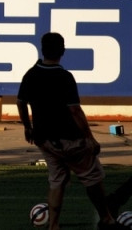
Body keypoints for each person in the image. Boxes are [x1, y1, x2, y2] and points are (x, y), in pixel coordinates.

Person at [17, 32, 118, 229]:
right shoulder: (64, 77)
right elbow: (74, 110)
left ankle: (53, 225)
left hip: (45, 139)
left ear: (42, 49)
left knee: (56, 181)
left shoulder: (31, 74)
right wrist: (90, 138)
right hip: (70, 140)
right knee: (91, 176)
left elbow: (21, 103)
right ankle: (106, 217)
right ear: (63, 51)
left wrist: (28, 127)